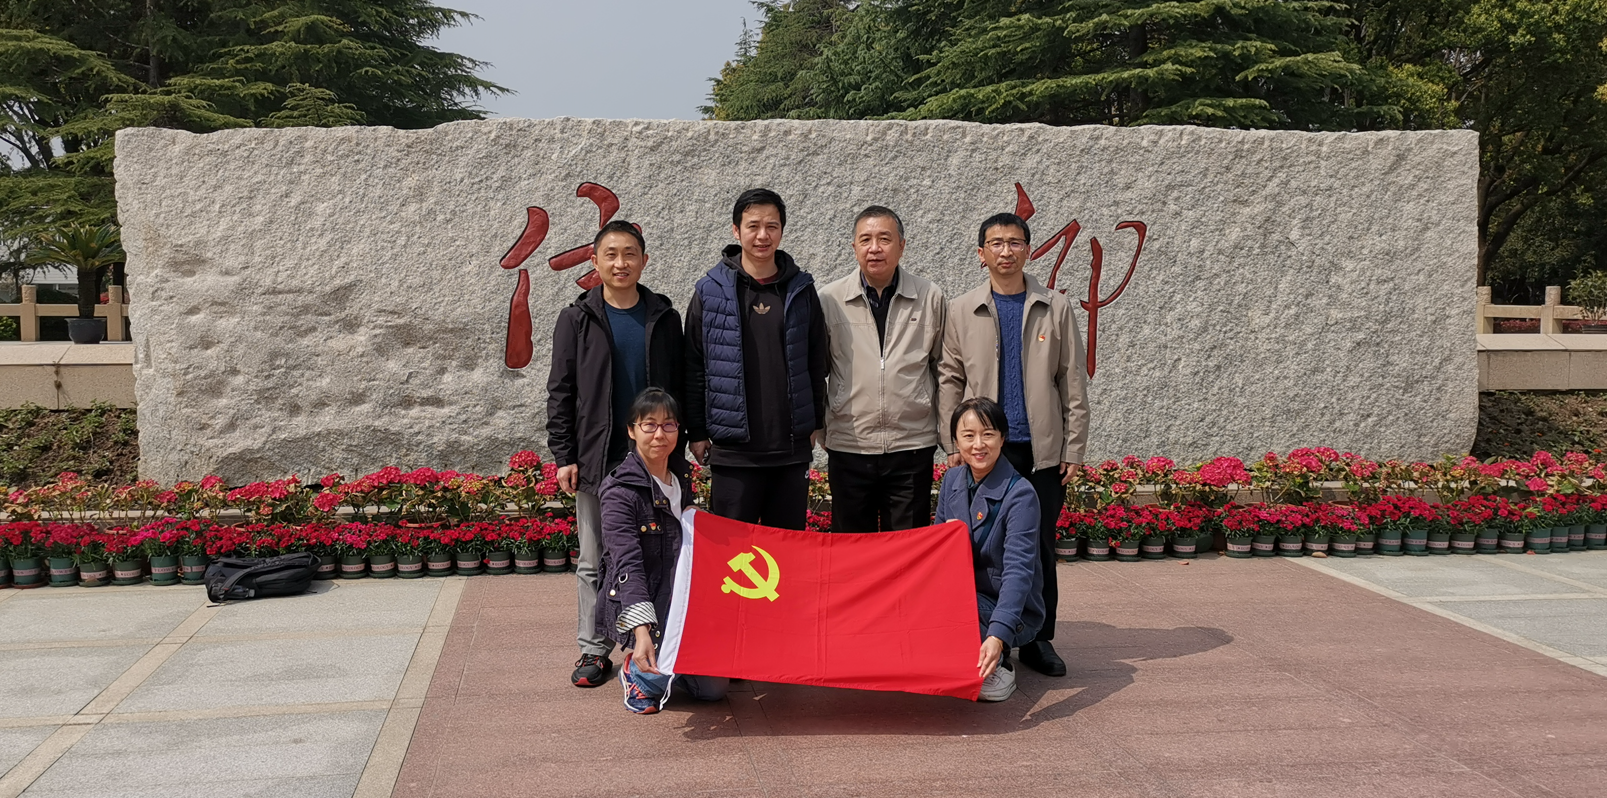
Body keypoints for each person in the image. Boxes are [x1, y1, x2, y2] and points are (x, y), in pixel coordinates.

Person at [937, 212, 1090, 678]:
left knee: (1038, 547)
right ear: (981, 253)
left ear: (1028, 249)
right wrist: (952, 441)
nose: (1006, 251)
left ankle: (1038, 637)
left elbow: (1072, 380)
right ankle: (985, 628)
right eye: (996, 243)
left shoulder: (1054, 306)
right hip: (982, 449)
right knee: (975, 543)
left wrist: (1073, 447)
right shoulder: (962, 309)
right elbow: (950, 378)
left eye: (1015, 242)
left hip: (1039, 449)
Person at [546, 220, 684, 689]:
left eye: (630, 254)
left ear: (644, 260)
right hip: (598, 454)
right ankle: (593, 649)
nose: (620, 263)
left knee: (663, 551)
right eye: (611, 254)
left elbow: (683, 384)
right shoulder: (576, 319)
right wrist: (564, 454)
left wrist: (687, 439)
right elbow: (561, 391)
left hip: (657, 453)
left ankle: (662, 639)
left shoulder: (663, 316)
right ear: (594, 261)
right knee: (593, 558)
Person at [684, 188, 829, 530]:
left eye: (771, 226)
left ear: (782, 231)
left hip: (789, 449)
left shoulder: (800, 289)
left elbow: (815, 361)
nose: (762, 235)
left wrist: (814, 422)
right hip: (733, 451)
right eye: (753, 226)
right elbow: (693, 365)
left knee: (787, 550)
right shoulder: (710, 291)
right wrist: (697, 431)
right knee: (733, 552)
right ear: (736, 231)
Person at [596, 388, 729, 714]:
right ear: (632, 430)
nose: (660, 435)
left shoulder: (681, 474)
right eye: (649, 425)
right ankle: (636, 670)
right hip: (645, 599)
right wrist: (642, 631)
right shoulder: (618, 491)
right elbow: (627, 566)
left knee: (713, 690)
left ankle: (672, 664)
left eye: (669, 425)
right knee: (658, 668)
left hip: (680, 596)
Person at [819, 206, 946, 532]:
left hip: (911, 446)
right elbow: (815, 369)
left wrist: (948, 434)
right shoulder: (830, 299)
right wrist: (821, 427)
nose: (874, 248)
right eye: (866, 240)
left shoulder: (929, 297)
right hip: (850, 445)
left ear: (901, 246)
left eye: (884, 239)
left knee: (907, 548)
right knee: (851, 547)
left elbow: (943, 369)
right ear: (854, 248)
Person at [934, 397, 1044, 702]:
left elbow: (1018, 572)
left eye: (988, 434)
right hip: (963, 593)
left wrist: (998, 635)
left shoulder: (1021, 495)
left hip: (1007, 606)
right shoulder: (952, 480)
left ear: (1003, 438)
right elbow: (937, 550)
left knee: (955, 617)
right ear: (956, 441)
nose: (978, 445)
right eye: (968, 435)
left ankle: (1001, 664)